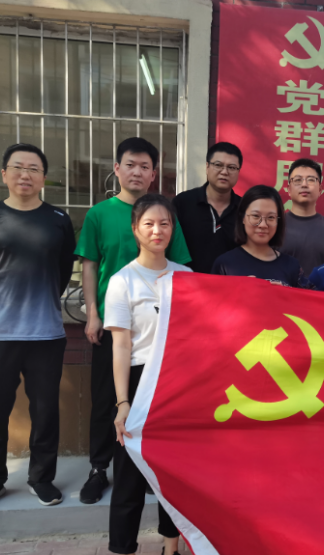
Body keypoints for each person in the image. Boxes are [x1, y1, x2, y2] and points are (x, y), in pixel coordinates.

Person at [75, 137, 192, 505]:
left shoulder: (164, 215)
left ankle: (144, 467)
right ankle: (99, 469)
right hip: (114, 324)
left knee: (153, 402)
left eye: (145, 166)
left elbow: (181, 270)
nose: (137, 172)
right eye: (130, 165)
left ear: (154, 173)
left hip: (155, 333)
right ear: (117, 169)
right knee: (107, 398)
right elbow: (90, 265)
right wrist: (93, 313)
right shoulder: (99, 214)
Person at [0, 143, 75, 512]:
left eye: (33, 169)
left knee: (45, 412)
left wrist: (42, 298)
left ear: (44, 178)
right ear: (4, 174)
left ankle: (41, 478)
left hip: (46, 334)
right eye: (17, 167)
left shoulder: (58, 219)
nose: (25, 174)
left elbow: (63, 270)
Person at [104, 194, 189, 555]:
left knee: (174, 475)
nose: (158, 230)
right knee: (128, 476)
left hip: (178, 384)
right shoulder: (122, 280)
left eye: (164, 223)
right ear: (135, 229)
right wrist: (123, 402)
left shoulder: (186, 277)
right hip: (139, 384)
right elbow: (121, 346)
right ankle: (123, 548)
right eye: (149, 224)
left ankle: (171, 548)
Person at [173, 142, 243, 274]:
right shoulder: (183, 202)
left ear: (238, 171)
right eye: (218, 165)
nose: (224, 172)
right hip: (188, 282)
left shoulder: (245, 209)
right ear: (207, 167)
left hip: (231, 284)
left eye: (232, 167)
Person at [211, 185, 301, 287]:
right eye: (255, 216)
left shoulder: (292, 265)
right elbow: (213, 297)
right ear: (242, 218)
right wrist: (238, 289)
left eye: (271, 217)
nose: (263, 225)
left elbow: (307, 296)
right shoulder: (224, 264)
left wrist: (285, 293)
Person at [281, 158, 324, 277]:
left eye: (311, 180)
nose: (304, 185)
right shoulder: (275, 225)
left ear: (320, 189)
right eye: (298, 180)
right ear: (289, 189)